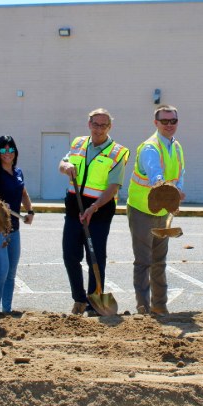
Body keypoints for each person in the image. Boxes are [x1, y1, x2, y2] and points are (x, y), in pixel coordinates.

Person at [59, 108, 129, 315]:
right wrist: (65, 167)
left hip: (100, 211)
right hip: (75, 208)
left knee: (95, 258)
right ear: (89, 124)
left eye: (103, 125)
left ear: (110, 127)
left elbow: (113, 187)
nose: (99, 129)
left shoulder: (117, 152)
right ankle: (79, 299)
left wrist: (94, 207)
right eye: (95, 124)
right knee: (70, 255)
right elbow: (63, 162)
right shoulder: (78, 143)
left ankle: (94, 302)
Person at [127, 104, 185, 315]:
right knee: (144, 261)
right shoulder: (150, 148)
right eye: (164, 121)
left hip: (163, 211)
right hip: (142, 210)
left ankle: (159, 306)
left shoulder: (176, 147)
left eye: (173, 121)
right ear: (156, 123)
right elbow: (156, 176)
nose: (169, 125)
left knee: (159, 261)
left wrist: (177, 193)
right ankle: (143, 308)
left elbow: (180, 174)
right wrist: (166, 191)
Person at [0, 135, 34, 314]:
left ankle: (7, 310)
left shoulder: (18, 172)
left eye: (11, 149)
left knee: (11, 273)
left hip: (14, 229)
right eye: (3, 149)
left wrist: (30, 211)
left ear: (15, 151)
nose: (7, 153)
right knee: (2, 271)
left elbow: (23, 193)